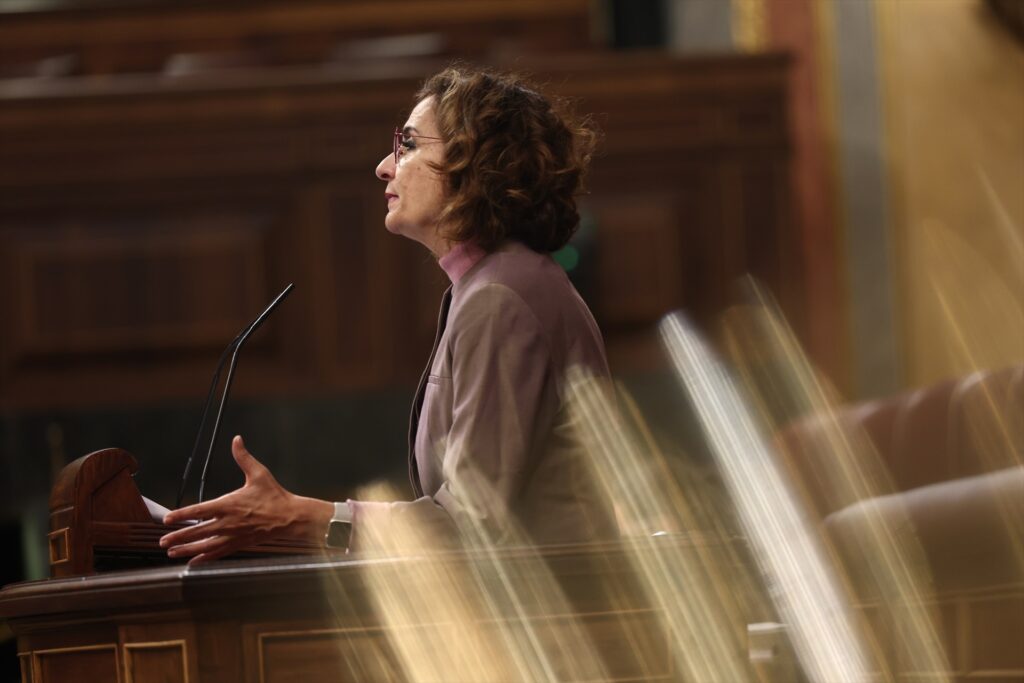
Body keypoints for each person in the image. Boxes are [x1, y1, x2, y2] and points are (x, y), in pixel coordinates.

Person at [160, 65, 617, 563]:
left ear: (476, 165)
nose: (384, 166)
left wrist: (307, 519)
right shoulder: (493, 285)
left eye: (411, 146)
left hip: (559, 627)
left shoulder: (502, 296)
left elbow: (472, 523)